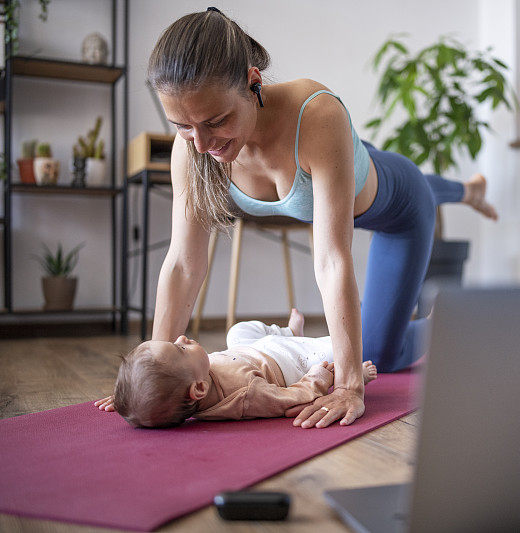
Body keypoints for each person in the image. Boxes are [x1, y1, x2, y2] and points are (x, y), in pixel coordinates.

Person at [95, 8, 496, 428]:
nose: (200, 144)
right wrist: (157, 378)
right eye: (182, 127)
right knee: (370, 169)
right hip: (344, 169)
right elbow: (182, 263)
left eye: (216, 122)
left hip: (399, 207)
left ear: (253, 83)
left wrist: (350, 387)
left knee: (381, 355)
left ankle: (448, 307)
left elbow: (331, 259)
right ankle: (468, 190)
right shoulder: (193, 151)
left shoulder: (316, 114)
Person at [113, 309, 378, 428]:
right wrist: (318, 378)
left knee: (236, 331)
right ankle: (356, 372)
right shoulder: (245, 395)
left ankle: (289, 331)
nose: (181, 338)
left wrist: (134, 394)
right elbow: (291, 399)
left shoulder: (192, 377)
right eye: (180, 349)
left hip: (253, 349)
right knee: (339, 348)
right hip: (290, 360)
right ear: (200, 388)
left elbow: (158, 386)